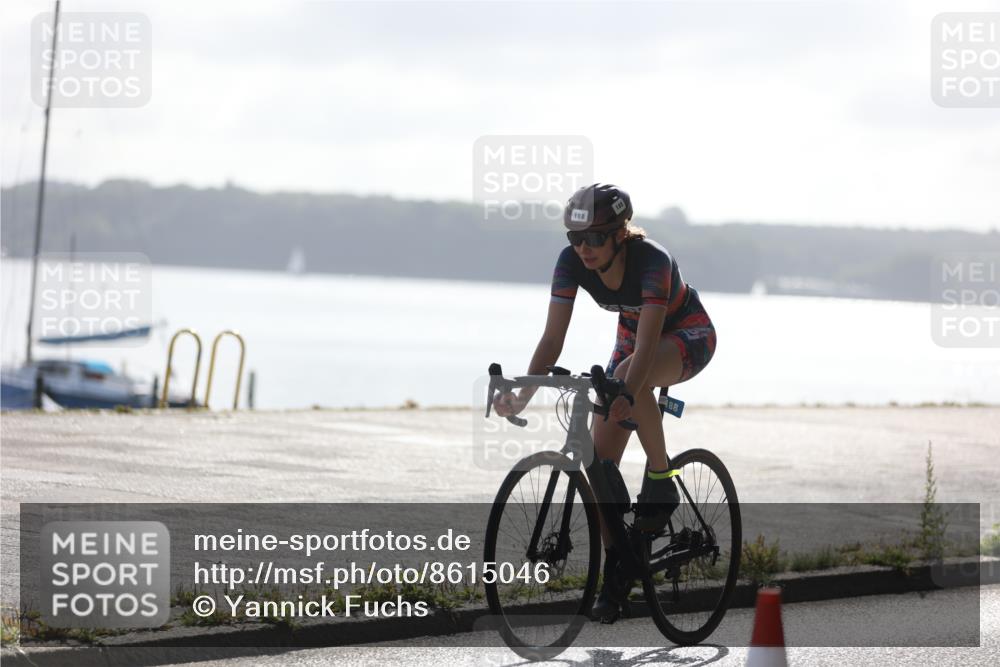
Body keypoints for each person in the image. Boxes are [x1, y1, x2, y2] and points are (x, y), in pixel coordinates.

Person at [492, 183, 718, 620]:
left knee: (631, 379)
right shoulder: (570, 263)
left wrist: (629, 394)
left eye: (594, 238)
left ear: (620, 233)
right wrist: (523, 394)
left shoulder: (652, 261)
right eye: (574, 238)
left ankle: (661, 478)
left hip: (686, 333)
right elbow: (553, 338)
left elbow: (649, 350)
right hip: (633, 338)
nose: (583, 248)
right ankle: (619, 569)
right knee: (599, 467)